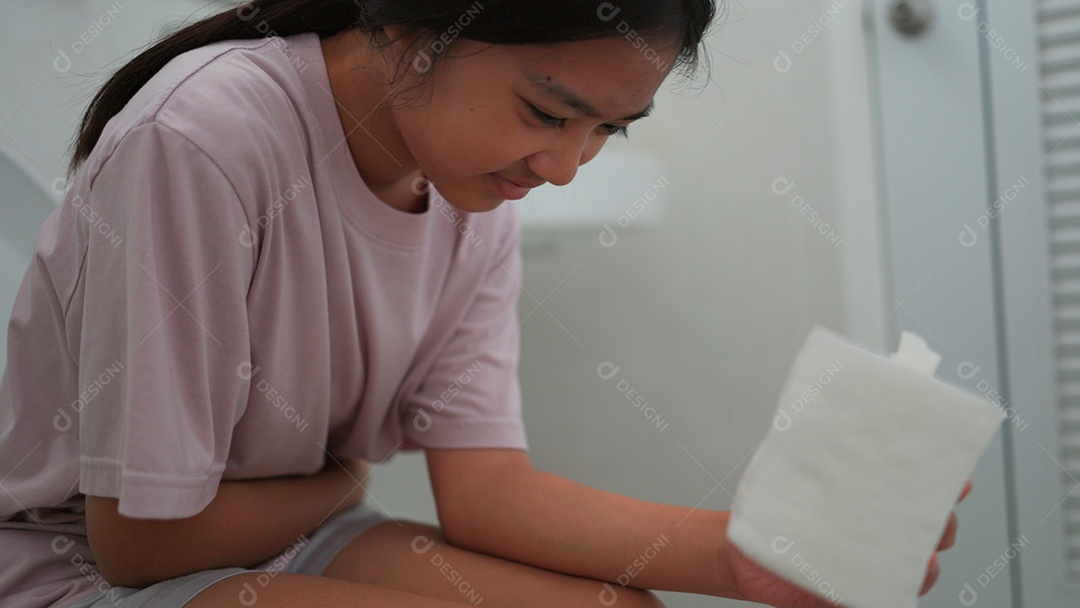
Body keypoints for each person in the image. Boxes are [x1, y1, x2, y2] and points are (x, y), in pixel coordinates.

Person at [0, 1, 966, 607]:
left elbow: (488, 491)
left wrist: (746, 555)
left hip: (291, 542)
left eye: (607, 130)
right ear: (405, 25)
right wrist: (341, 483)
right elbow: (140, 544)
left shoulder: (471, 186)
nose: (563, 165)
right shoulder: (205, 140)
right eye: (548, 112)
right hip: (74, 570)